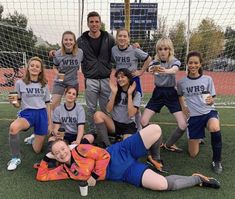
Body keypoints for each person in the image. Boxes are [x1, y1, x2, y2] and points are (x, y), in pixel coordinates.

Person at [36, 124, 220, 191]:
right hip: (125, 173)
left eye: (62, 148)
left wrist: (93, 176)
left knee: (155, 129)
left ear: (67, 146)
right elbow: (42, 176)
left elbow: (103, 156)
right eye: (57, 153)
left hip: (121, 152)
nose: (62, 153)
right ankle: (197, 179)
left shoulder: (80, 149)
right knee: (162, 185)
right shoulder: (65, 171)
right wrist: (46, 157)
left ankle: (153, 157)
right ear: (56, 157)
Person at [140, 37, 187, 172]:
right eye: (160, 49)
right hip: (158, 94)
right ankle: (154, 143)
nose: (162, 52)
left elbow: (174, 70)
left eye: (165, 49)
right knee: (143, 121)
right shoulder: (155, 61)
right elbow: (150, 69)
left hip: (171, 94)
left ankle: (169, 144)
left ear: (170, 50)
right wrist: (154, 68)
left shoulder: (174, 61)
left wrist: (164, 70)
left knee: (183, 125)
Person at [177, 51, 223, 174]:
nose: (193, 65)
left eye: (196, 63)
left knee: (214, 127)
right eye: (190, 63)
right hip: (194, 117)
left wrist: (211, 100)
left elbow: (212, 96)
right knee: (193, 154)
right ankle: (198, 138)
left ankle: (217, 160)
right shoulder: (181, 82)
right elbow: (179, 95)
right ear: (187, 64)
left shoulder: (207, 79)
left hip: (208, 112)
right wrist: (183, 107)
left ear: (200, 64)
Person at [7, 57, 52, 171]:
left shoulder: (44, 84)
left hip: (41, 114)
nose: (34, 68)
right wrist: (14, 102)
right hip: (27, 114)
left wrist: (49, 123)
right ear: (28, 67)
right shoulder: (20, 83)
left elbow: (47, 104)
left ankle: (33, 139)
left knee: (37, 150)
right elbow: (18, 104)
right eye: (32, 65)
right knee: (13, 128)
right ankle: (15, 157)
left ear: (41, 70)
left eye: (37, 66)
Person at [76, 11, 115, 135]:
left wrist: (133, 46)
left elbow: (121, 47)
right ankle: (92, 132)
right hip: (90, 79)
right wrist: (56, 52)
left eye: (96, 21)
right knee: (91, 108)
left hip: (105, 79)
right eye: (91, 22)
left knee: (106, 109)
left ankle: (107, 131)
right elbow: (69, 50)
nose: (94, 24)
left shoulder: (108, 38)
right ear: (88, 23)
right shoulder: (81, 40)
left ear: (100, 23)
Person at [93, 68, 141, 147]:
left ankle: (120, 138)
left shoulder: (136, 93)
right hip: (115, 124)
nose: (120, 79)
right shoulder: (115, 91)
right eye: (118, 78)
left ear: (128, 78)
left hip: (128, 126)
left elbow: (131, 114)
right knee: (97, 114)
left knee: (126, 145)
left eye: (122, 77)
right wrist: (114, 93)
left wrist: (129, 95)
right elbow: (108, 110)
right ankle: (107, 144)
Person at [111, 27, 152, 96]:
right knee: (121, 103)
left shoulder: (134, 49)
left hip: (133, 80)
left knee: (135, 103)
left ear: (128, 38)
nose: (122, 38)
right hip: (120, 80)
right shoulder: (113, 50)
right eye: (120, 36)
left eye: (125, 36)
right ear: (116, 38)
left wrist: (141, 72)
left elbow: (149, 59)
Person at [51, 30, 83, 111]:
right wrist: (58, 74)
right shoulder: (58, 53)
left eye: (70, 40)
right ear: (62, 41)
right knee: (54, 104)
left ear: (74, 41)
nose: (68, 42)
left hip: (72, 82)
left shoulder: (80, 52)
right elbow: (54, 67)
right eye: (66, 40)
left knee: (71, 105)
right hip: (60, 81)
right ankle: (53, 123)